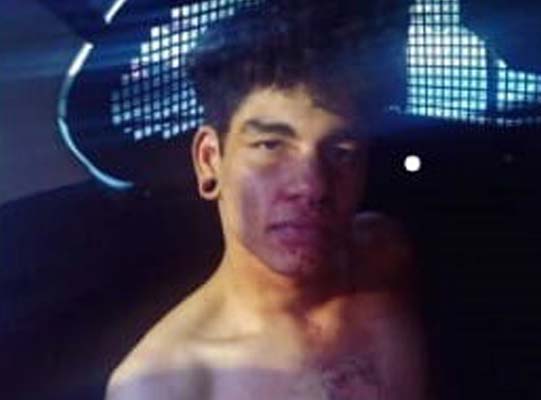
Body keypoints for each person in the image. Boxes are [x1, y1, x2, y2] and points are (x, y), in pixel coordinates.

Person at [106, 1, 428, 398]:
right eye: (270, 145)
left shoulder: (384, 256)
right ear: (209, 160)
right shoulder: (166, 385)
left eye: (341, 152)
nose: (313, 186)